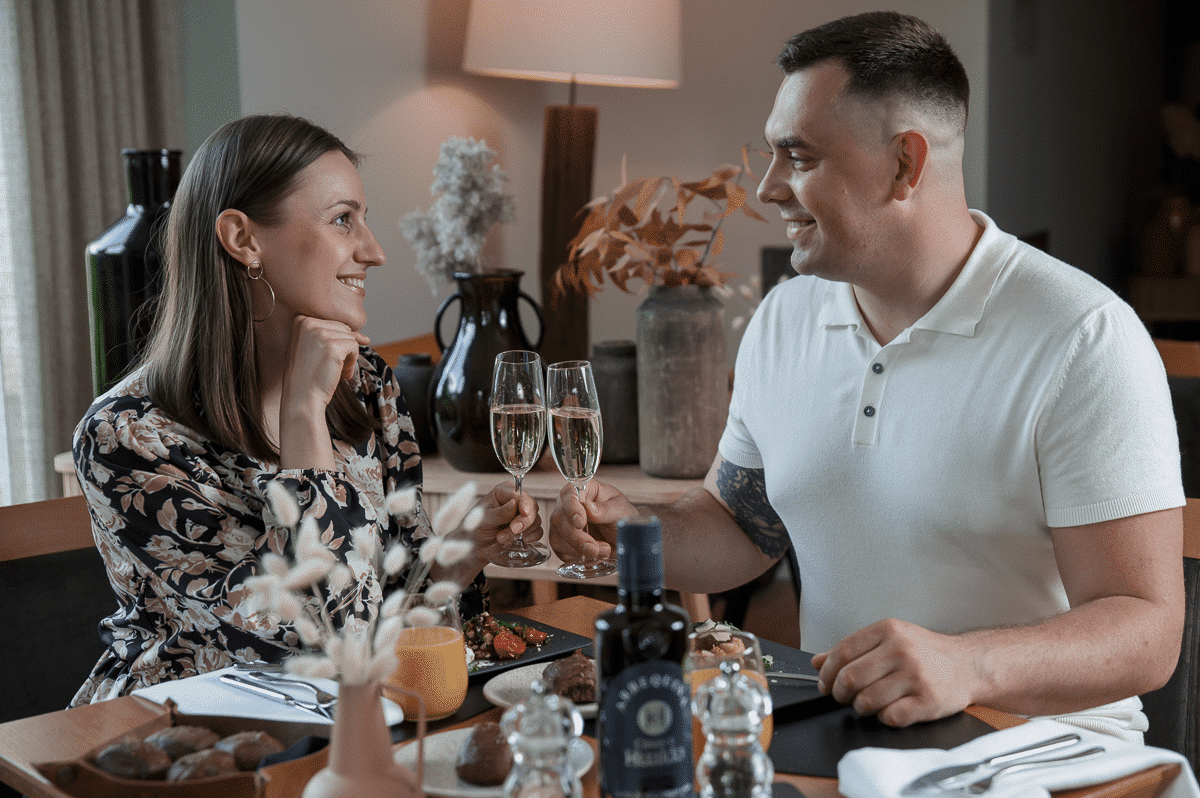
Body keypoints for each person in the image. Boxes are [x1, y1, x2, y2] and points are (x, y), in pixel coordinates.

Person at [550, 11, 1184, 738]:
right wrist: (635, 530)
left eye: (799, 157)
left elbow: (1147, 631)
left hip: (1042, 755)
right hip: (842, 740)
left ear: (905, 164)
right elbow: (742, 527)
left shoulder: (1083, 337)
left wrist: (967, 665)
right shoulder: (784, 319)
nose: (768, 188)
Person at [71, 114, 540, 704]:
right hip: (191, 735)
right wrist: (304, 417)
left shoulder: (366, 385)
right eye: (343, 219)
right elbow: (311, 643)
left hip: (357, 716)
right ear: (243, 239)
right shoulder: (125, 436)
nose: (374, 251)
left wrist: (457, 560)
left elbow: (381, 613)